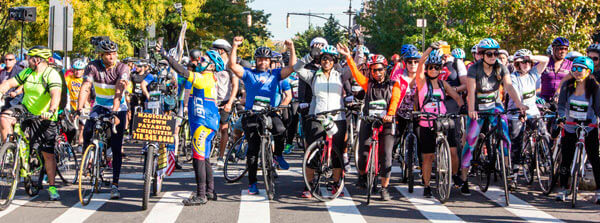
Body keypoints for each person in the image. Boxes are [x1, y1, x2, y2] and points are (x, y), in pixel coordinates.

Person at [229, 36, 297, 195]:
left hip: (269, 112)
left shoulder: (276, 74)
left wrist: (291, 47)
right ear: (256, 60)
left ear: (270, 61)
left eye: (266, 60)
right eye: (260, 59)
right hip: (252, 114)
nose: (263, 62)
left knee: (281, 130)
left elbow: (293, 67)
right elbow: (232, 65)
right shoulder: (248, 74)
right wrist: (235, 46)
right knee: (252, 151)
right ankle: (252, 183)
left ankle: (278, 155)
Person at [339, 43, 407, 201]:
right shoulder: (367, 84)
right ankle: (362, 175)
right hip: (369, 121)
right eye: (374, 70)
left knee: (386, 155)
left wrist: (390, 114)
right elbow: (355, 73)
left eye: (380, 69)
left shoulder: (393, 85)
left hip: (387, 122)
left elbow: (395, 101)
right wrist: (349, 57)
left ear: (385, 69)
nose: (377, 73)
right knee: (362, 154)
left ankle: (384, 188)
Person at [460, 38, 527, 195]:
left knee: (505, 134)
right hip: (477, 105)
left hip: (494, 104)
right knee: (470, 141)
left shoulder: (501, 68)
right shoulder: (474, 69)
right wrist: (471, 110)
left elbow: (509, 86)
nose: (493, 56)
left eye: (496, 53)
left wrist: (519, 104)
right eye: (489, 54)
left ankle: (506, 168)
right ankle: (463, 178)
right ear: (481, 54)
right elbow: (471, 92)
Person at [0, 46, 63, 201]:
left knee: (47, 155)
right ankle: (11, 149)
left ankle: (52, 187)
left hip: (45, 116)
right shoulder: (28, 72)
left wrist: (51, 110)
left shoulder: (51, 74)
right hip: (26, 108)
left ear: (37, 60)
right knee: (4, 117)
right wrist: (1, 90)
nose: (27, 60)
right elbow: (10, 83)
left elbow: (56, 95)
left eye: (30, 57)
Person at [294, 45, 349, 198]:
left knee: (337, 153)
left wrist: (352, 52)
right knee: (312, 153)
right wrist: (309, 56)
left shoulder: (340, 75)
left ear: (334, 61)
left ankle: (336, 183)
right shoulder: (313, 75)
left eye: (330, 59)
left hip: (337, 118)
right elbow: (297, 69)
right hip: (317, 117)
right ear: (320, 60)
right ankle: (309, 185)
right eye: (324, 58)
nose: (327, 61)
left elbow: (354, 68)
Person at [76, 39, 129, 200]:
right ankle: (88, 159)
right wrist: (79, 108)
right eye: (108, 54)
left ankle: (115, 184)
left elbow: (120, 87)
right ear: (101, 55)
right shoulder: (93, 66)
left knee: (116, 144)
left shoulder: (122, 67)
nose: (112, 57)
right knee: (87, 130)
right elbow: (85, 86)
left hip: (118, 107)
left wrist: (114, 110)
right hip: (99, 105)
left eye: (114, 53)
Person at [555, 56, 600, 205]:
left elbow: (598, 109)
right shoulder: (567, 86)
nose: (577, 71)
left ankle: (599, 191)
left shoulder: (595, 87)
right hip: (570, 125)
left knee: (595, 159)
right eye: (574, 68)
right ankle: (563, 188)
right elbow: (561, 106)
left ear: (589, 71)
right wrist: (561, 117)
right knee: (566, 158)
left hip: (589, 127)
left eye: (580, 69)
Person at [506, 49, 549, 180]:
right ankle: (514, 172)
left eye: (528, 62)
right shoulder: (512, 77)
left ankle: (545, 160)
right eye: (522, 62)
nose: (526, 64)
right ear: (517, 64)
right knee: (517, 141)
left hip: (533, 112)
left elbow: (546, 60)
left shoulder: (533, 74)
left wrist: (531, 56)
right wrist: (521, 110)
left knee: (544, 133)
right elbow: (516, 95)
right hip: (516, 112)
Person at [210, 39, 239, 168]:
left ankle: (221, 157)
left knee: (223, 129)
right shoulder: (211, 64)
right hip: (211, 100)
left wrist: (230, 102)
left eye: (214, 49)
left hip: (225, 101)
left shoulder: (229, 65)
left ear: (221, 50)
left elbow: (235, 85)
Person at [540, 37, 572, 102]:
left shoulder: (570, 65)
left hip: (563, 101)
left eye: (566, 49)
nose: (563, 51)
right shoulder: (545, 63)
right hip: (544, 101)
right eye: (561, 48)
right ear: (553, 48)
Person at [66, 59, 89, 146]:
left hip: (83, 104)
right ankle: (71, 141)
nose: (77, 72)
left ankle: (80, 142)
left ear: (83, 70)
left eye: (80, 70)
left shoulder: (85, 79)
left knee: (82, 124)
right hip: (72, 103)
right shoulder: (69, 78)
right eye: (76, 69)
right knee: (70, 123)